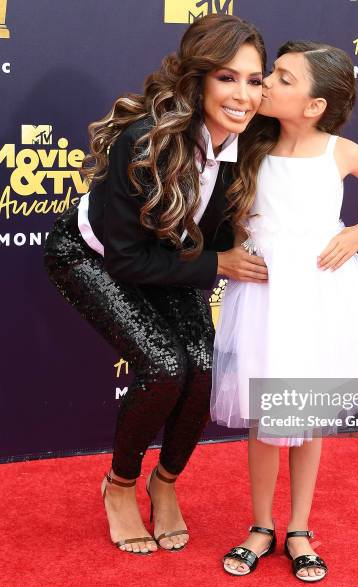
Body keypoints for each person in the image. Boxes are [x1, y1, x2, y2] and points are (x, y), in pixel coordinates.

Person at [43, 14, 268, 555]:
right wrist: (220, 265)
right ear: (197, 80)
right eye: (227, 78)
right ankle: (119, 486)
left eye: (255, 80)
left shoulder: (248, 143)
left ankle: (163, 485)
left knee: (204, 371)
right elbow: (125, 260)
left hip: (177, 258)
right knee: (165, 368)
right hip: (97, 259)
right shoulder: (145, 142)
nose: (244, 95)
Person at [211, 41, 358, 581]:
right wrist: (228, 254)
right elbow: (224, 212)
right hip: (263, 294)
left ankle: (298, 527)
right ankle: (261, 526)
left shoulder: (340, 152)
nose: (264, 85)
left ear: (314, 105)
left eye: (281, 78)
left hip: (323, 293)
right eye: (268, 75)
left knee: (307, 413)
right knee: (263, 415)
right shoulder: (244, 147)